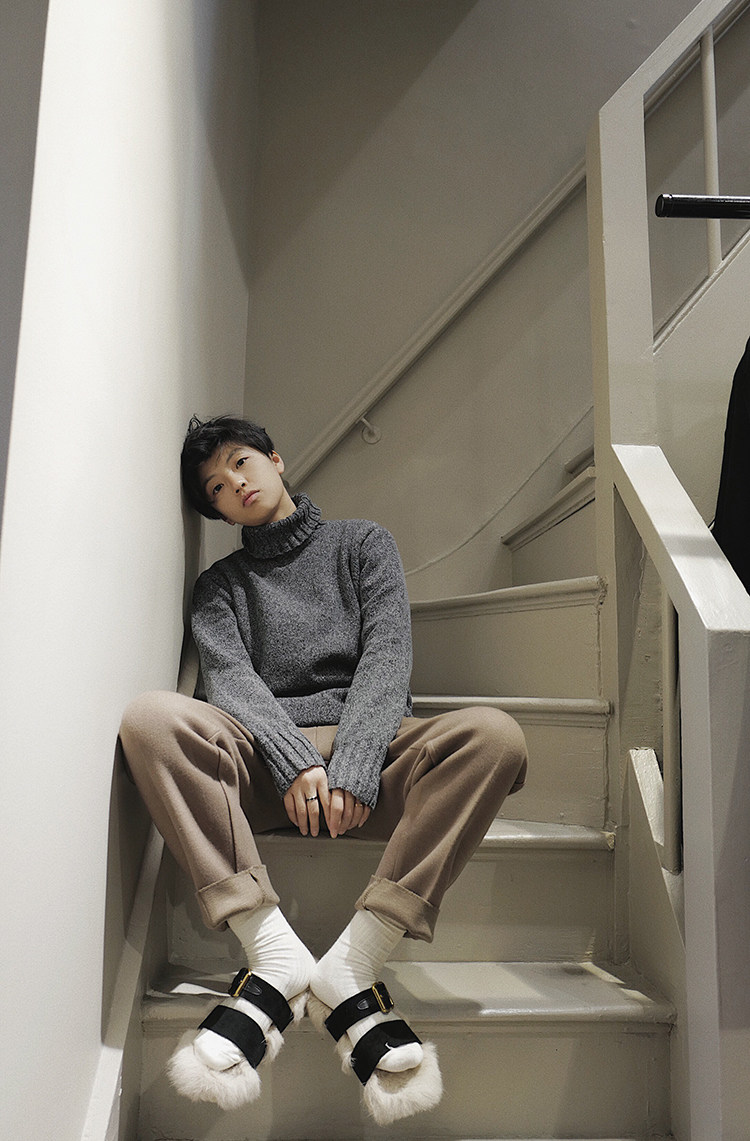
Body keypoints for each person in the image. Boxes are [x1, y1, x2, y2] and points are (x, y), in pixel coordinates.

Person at [119, 414, 528, 1126]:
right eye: (215, 487)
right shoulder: (219, 587)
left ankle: (355, 961)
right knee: (150, 719)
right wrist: (295, 761)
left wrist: (356, 765)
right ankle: (272, 950)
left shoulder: (363, 544)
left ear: (275, 459)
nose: (234, 484)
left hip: (374, 756)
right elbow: (230, 684)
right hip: (267, 765)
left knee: (496, 736)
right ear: (216, 511)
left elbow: (387, 658)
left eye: (241, 463)